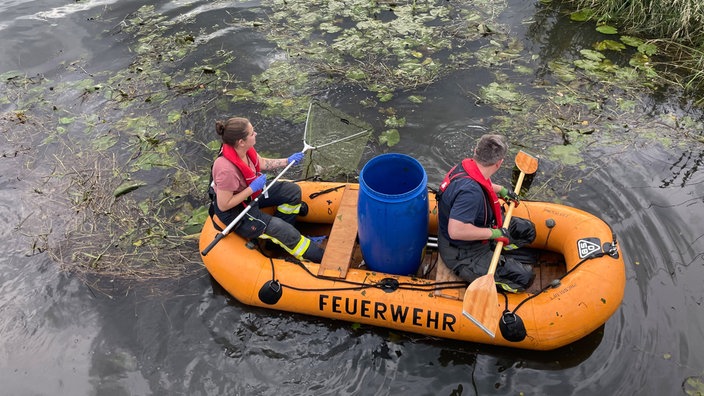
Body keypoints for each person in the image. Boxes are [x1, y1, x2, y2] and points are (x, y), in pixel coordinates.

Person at [209, 117, 324, 263]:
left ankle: (274, 240)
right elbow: (224, 205)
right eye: (252, 133)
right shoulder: (226, 170)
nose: (256, 134)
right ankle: (319, 257)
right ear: (241, 142)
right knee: (282, 229)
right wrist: (252, 188)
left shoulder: (245, 149)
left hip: (249, 194)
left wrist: (287, 161)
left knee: (292, 192)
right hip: (236, 211)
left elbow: (262, 162)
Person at [437, 134, 536, 292]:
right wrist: (494, 234)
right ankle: (494, 268)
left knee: (528, 230)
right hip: (463, 252)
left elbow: (482, 181)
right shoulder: (470, 194)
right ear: (499, 163)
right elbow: (456, 231)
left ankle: (501, 249)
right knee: (524, 278)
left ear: (476, 151)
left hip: (481, 227)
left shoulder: (468, 166)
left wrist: (502, 190)